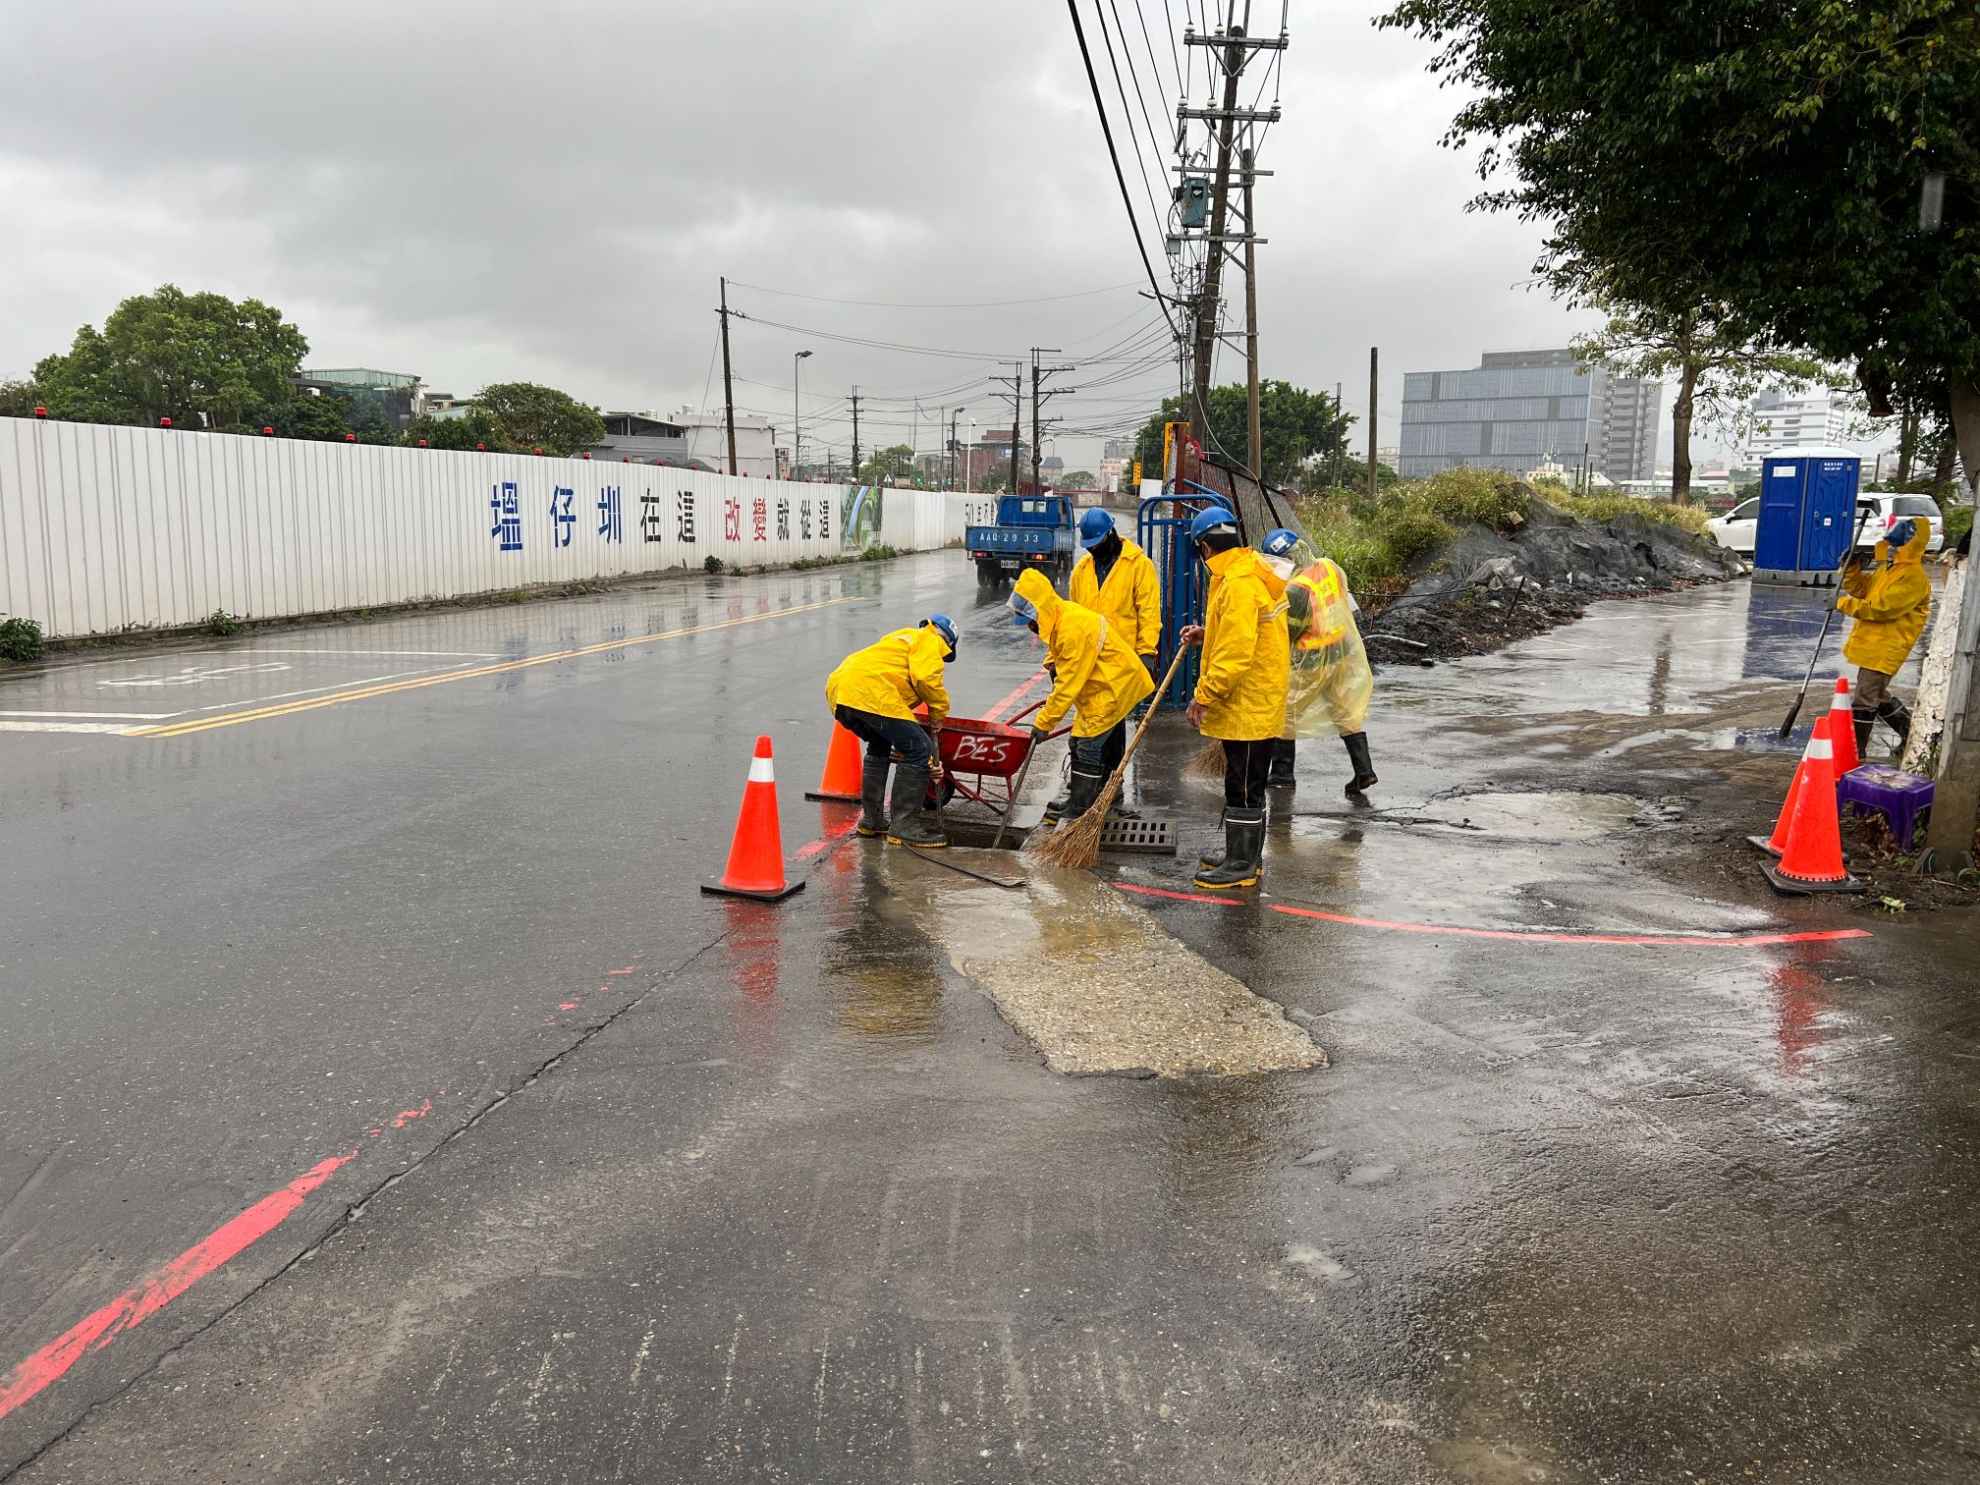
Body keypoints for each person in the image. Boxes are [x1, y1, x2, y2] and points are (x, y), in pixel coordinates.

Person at [1179, 506, 1290, 890]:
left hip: (1249, 703)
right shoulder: (1243, 574)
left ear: (1205, 547)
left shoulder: (1238, 584)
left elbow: (1236, 654)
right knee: (1246, 783)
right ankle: (1244, 857)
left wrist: (1203, 696)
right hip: (1256, 700)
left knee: (1242, 785)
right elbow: (1239, 633)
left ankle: (1242, 865)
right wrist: (1206, 633)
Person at [1009, 569, 1154, 824]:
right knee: (1079, 743)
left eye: (1031, 621)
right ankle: (1089, 796)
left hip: (1113, 686)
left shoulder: (1071, 626)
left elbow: (1068, 685)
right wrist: (1052, 663)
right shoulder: (1060, 616)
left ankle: (1080, 809)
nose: (1031, 628)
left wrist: (1044, 723)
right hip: (1100, 686)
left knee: (1087, 746)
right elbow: (1060, 652)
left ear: (1041, 609)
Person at [1059, 508, 1163, 817]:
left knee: (1111, 728)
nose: (1092, 549)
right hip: (1089, 664)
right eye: (1088, 545)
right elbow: (1070, 618)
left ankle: (1107, 790)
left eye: (1096, 543)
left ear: (1111, 535)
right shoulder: (1082, 571)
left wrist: (1147, 653)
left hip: (1123, 663)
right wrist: (1059, 660)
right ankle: (1091, 790)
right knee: (1093, 726)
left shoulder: (1138, 566)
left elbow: (1148, 612)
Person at [1258, 528, 1378, 796]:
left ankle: (1281, 775)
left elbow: (1290, 631)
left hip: (1311, 661)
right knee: (1345, 710)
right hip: (1340, 652)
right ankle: (1364, 770)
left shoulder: (1296, 590)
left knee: (1285, 713)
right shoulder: (1328, 566)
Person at [823, 613, 957, 847]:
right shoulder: (929, 641)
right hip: (871, 692)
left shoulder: (903, 637)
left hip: (841, 690)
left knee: (879, 744)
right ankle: (904, 826)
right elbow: (926, 679)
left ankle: (872, 821)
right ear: (948, 641)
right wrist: (938, 712)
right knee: (919, 749)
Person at [1837, 518, 1932, 757]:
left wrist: (1841, 604)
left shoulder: (1913, 577)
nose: (1890, 549)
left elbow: (1882, 608)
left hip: (1887, 647)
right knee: (1877, 695)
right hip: (1872, 645)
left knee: (1865, 698)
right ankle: (1909, 731)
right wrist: (1851, 568)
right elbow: (1862, 590)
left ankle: (1857, 752)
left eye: (1896, 546)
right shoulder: (1888, 570)